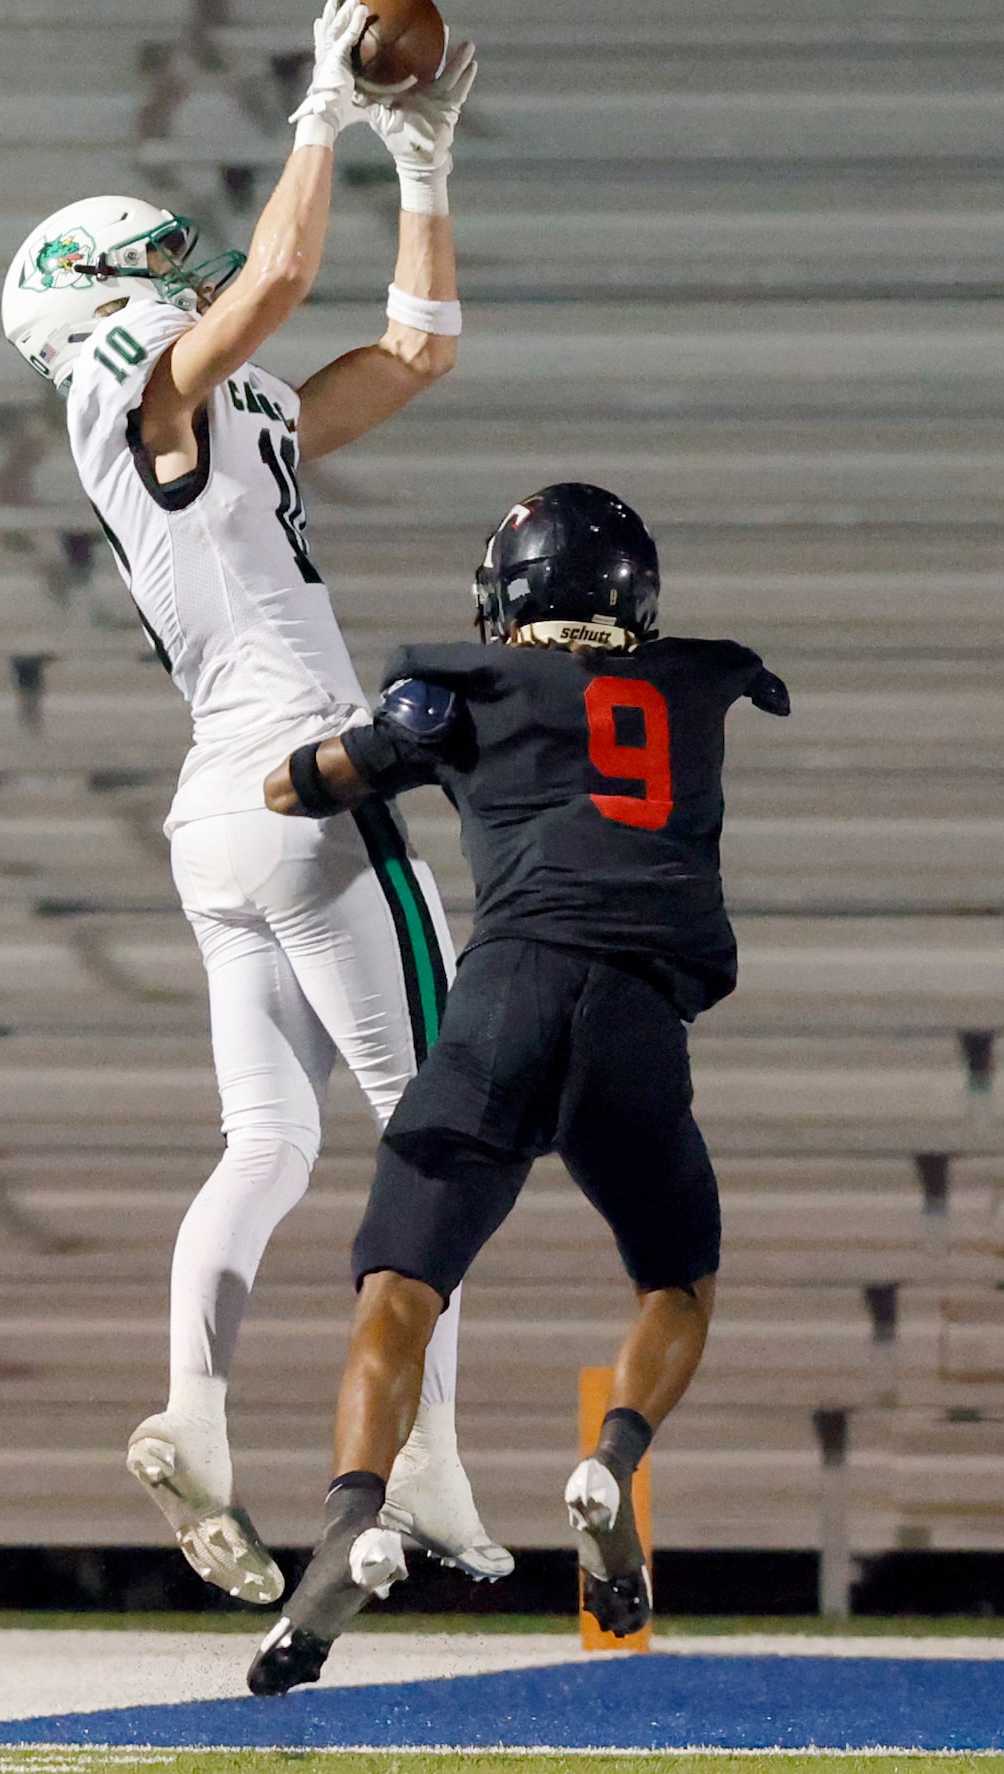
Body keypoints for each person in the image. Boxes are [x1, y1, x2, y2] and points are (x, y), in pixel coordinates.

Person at [0, 0, 510, 1604]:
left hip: (214, 817)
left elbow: (416, 349)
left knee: (268, 1140)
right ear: (109, 297)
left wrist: (421, 162)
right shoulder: (145, 393)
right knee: (441, 1126)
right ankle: (421, 1456)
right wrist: (321, 114)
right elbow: (281, 277)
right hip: (314, 784)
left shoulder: (224, 409)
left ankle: (198, 1414)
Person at [247, 481, 792, 1693]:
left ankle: (349, 1521)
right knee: (676, 1282)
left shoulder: (466, 688)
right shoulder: (701, 681)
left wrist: (368, 735)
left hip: (511, 993)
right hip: (640, 1018)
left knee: (399, 1288)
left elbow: (296, 785)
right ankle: (610, 1460)